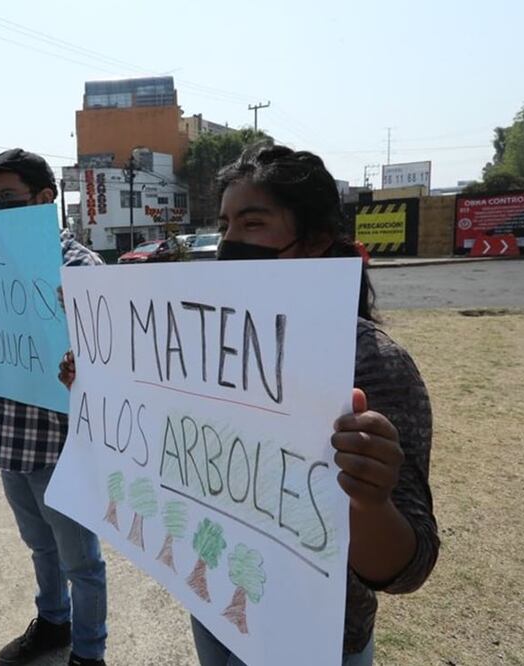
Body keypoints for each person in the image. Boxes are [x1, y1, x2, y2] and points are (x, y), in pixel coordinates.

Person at [60, 142, 439, 665]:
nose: (229, 242)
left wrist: (370, 500)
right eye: (225, 225)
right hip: (217, 606)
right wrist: (97, 382)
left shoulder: (374, 366)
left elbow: (405, 567)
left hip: (316, 640)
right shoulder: (199, 343)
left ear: (316, 241)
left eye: (253, 223)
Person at [0, 148, 109, 666]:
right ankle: (53, 622)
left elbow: (114, 368)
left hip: (62, 445)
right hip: (9, 437)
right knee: (40, 547)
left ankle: (88, 654)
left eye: (6, 198)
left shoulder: (82, 269)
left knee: (81, 562)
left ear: (45, 199)